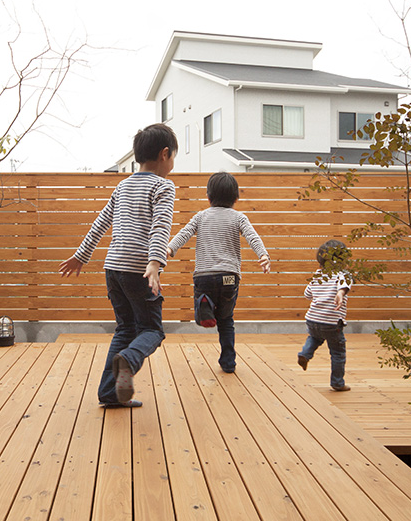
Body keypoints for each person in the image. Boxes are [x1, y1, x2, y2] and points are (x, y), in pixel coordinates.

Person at [58, 123, 178, 408]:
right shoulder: (163, 186)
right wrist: (154, 262)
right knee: (152, 330)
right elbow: (161, 226)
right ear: (164, 154)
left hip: (113, 269)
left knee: (125, 329)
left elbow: (100, 224)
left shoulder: (123, 185)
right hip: (139, 269)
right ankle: (129, 360)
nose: (173, 164)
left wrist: (81, 255)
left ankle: (110, 394)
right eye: (173, 157)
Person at [167, 172, 270, 373]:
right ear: (236, 199)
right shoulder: (239, 217)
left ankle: (204, 303)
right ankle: (228, 363)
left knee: (203, 307)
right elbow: (253, 237)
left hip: (204, 275)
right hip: (229, 276)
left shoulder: (201, 216)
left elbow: (184, 233)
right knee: (226, 320)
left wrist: (170, 248)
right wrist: (263, 255)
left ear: (208, 197)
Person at [298, 239, 352, 391]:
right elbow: (344, 286)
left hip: (312, 318)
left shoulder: (318, 275)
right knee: (338, 352)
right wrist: (340, 294)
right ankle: (337, 383)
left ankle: (305, 354)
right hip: (331, 321)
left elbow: (307, 294)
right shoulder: (343, 274)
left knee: (314, 338)